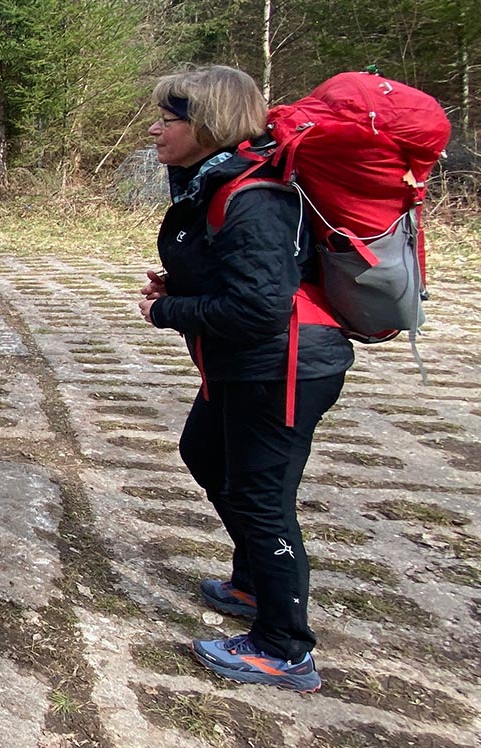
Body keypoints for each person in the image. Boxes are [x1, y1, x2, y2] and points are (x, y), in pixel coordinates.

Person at [137, 66, 353, 692]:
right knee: (203, 450)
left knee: (263, 499)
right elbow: (243, 280)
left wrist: (167, 310)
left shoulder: (254, 196)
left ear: (205, 125)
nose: (155, 127)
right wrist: (182, 285)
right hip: (251, 363)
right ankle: (255, 579)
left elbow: (261, 307)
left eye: (168, 118)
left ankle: (284, 647)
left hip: (282, 366)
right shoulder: (221, 182)